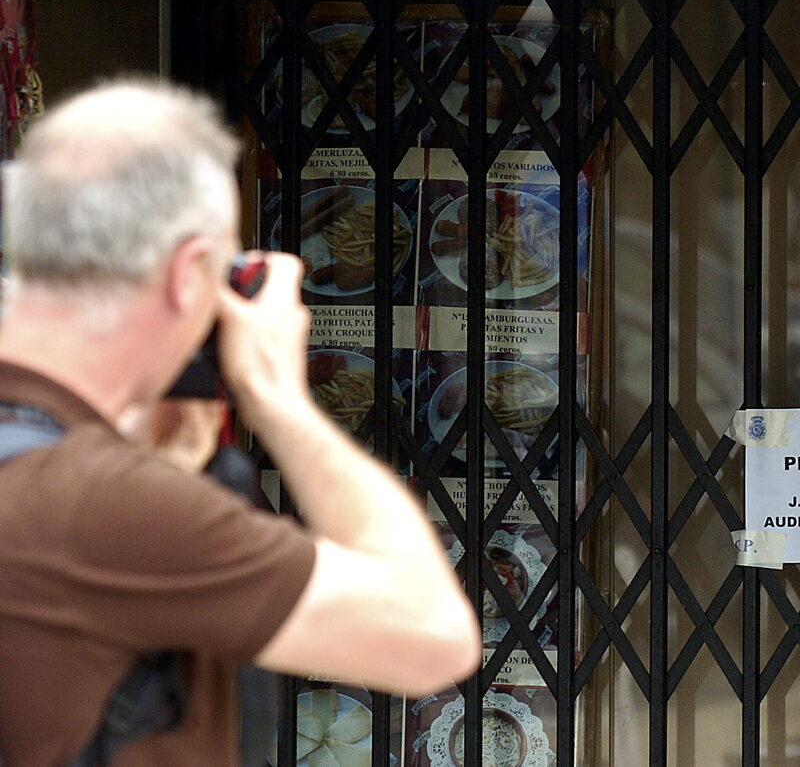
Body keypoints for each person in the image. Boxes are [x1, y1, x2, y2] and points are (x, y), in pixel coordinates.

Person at [0, 78, 481, 765]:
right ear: (186, 274)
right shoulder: (96, 504)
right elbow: (432, 633)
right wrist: (277, 397)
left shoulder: (65, 481)